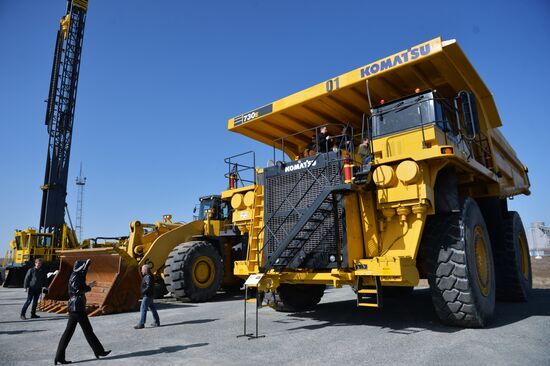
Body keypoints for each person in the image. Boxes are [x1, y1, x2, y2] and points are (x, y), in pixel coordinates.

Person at [54, 259, 111, 365]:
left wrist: (88, 285)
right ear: (82, 267)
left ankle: (59, 357)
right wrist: (89, 287)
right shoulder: (76, 275)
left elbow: (78, 287)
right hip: (77, 308)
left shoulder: (77, 274)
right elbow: (76, 290)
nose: (88, 268)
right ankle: (99, 351)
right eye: (87, 266)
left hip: (75, 307)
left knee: (71, 333)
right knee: (87, 331)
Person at [134, 264, 160, 329]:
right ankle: (156, 322)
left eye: (142, 270)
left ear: (145, 270)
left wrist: (143, 292)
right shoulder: (149, 276)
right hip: (150, 295)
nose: (141, 271)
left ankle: (141, 323)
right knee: (152, 308)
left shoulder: (148, 277)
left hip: (147, 295)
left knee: (143, 308)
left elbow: (148, 286)